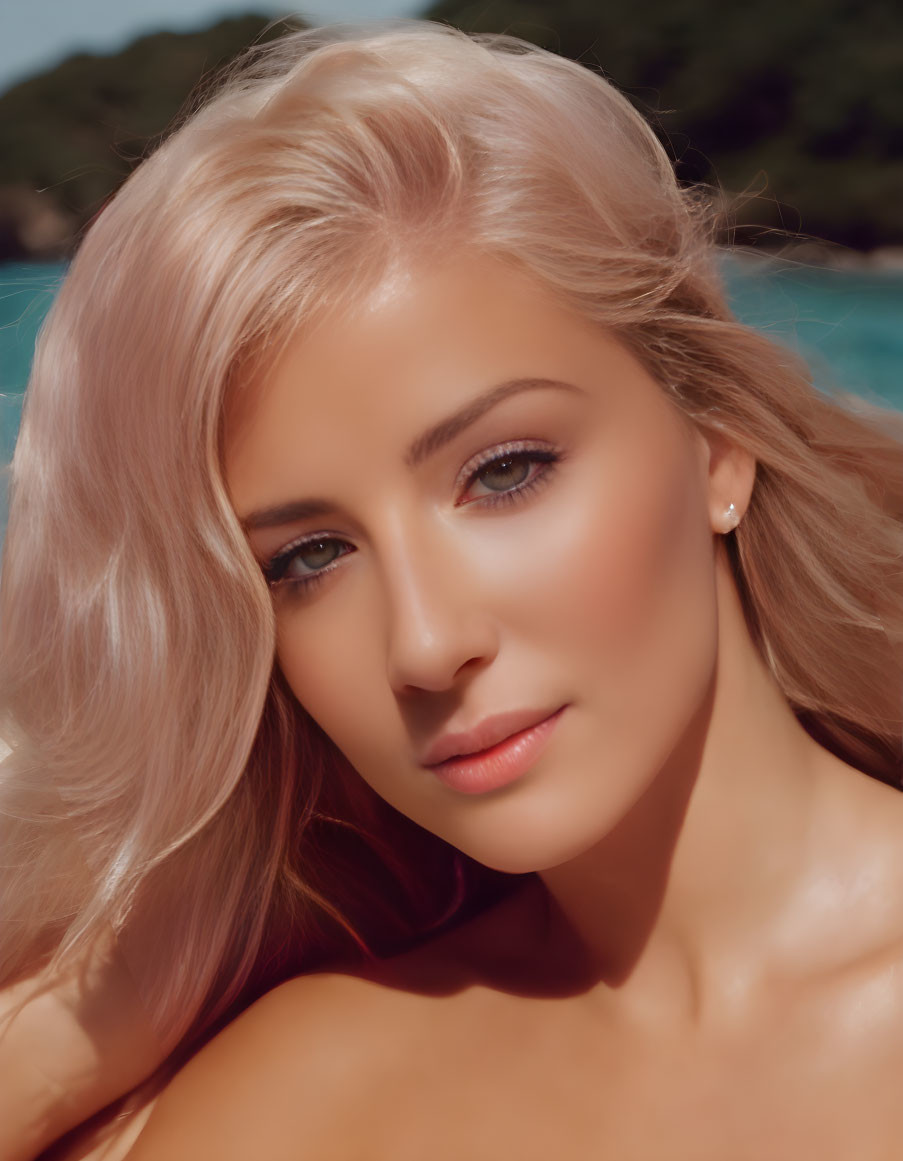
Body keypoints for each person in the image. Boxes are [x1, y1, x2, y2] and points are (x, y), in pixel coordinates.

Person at [2, 18, 903, 1160]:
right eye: (308, 558)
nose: (425, 645)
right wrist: (67, 1038)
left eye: (506, 472)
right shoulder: (307, 1088)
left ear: (716, 443)